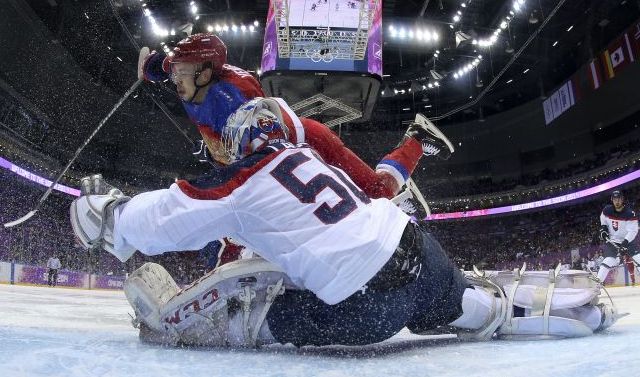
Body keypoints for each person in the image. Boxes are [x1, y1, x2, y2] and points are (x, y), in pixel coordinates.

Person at [70, 113, 620, 348]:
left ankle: (229, 330)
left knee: (242, 317)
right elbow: (375, 187)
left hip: (368, 308)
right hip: (421, 252)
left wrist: (103, 213)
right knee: (465, 308)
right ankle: (513, 310)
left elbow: (156, 221)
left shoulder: (235, 184)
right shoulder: (301, 148)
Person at [140, 32, 454, 265]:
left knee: (378, 192)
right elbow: (162, 67)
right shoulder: (192, 77)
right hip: (268, 151)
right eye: (175, 70)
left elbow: (267, 160)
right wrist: (152, 68)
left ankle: (415, 139)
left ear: (206, 72)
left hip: (309, 145)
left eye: (181, 71)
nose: (175, 78)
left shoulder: (231, 99)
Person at [596, 190, 640, 283]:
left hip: (628, 241)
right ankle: (597, 283)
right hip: (613, 241)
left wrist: (625, 243)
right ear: (612, 199)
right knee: (609, 260)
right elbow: (603, 220)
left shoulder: (629, 213)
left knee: (638, 259)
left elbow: (633, 231)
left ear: (622, 199)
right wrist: (603, 229)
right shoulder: (606, 210)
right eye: (615, 199)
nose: (617, 201)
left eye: (619, 199)